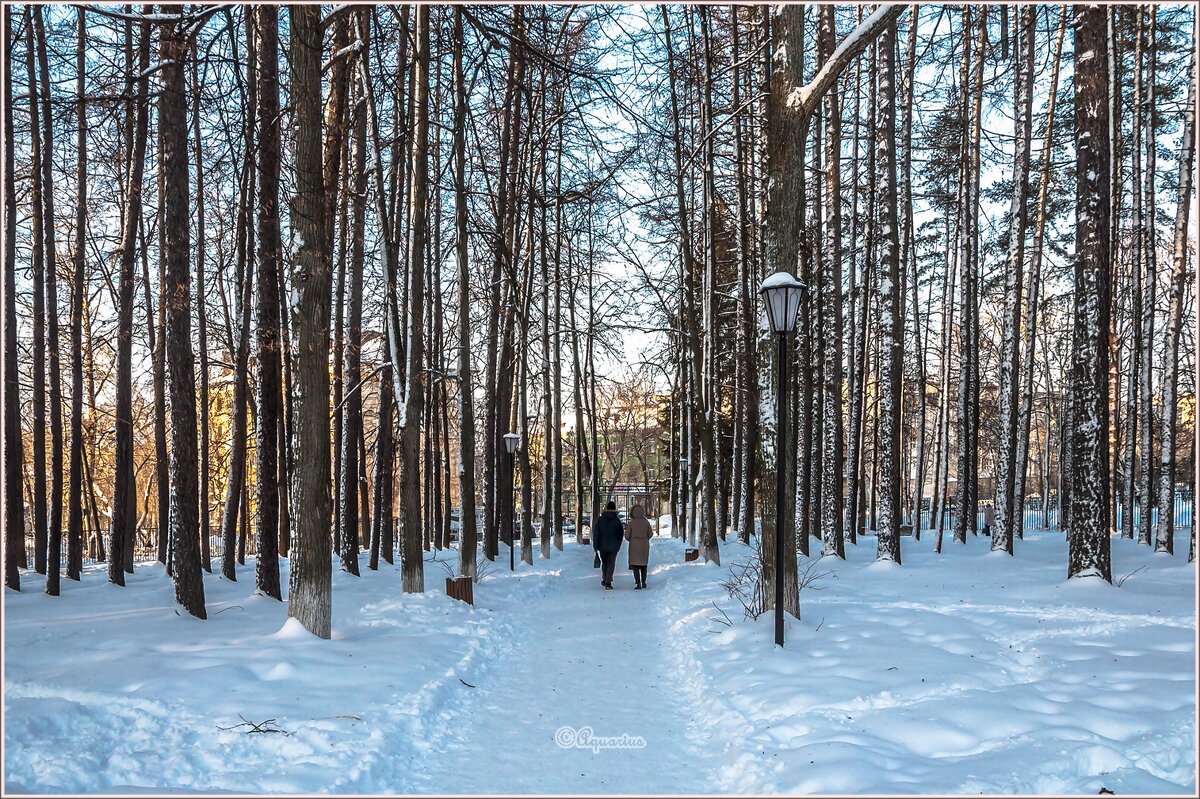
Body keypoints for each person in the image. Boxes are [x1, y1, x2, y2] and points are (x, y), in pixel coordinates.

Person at [592, 500, 624, 589]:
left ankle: (605, 579)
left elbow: (596, 533)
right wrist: (618, 545)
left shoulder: (600, 519)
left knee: (605, 563)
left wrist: (595, 546)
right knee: (611, 563)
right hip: (614, 546)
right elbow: (620, 534)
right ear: (614, 508)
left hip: (602, 546)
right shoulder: (617, 520)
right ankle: (608, 581)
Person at [625, 504, 652, 589]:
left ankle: (638, 583)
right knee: (644, 565)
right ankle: (644, 582)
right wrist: (645, 538)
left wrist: (632, 540)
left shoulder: (631, 523)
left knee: (635, 565)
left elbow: (626, 536)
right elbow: (650, 534)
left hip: (634, 545)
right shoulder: (646, 522)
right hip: (644, 545)